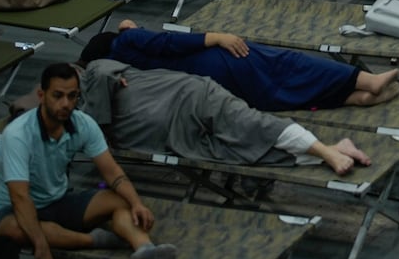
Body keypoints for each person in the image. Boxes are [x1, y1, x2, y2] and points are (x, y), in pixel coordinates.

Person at [0, 63, 176, 259]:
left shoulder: (83, 124)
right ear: (42, 95)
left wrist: (136, 203)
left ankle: (145, 248)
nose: (66, 104)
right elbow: (20, 197)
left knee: (121, 199)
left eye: (72, 96)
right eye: (57, 96)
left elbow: (112, 172)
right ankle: (97, 240)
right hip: (12, 209)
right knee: (14, 231)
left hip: (58, 201)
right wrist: (41, 247)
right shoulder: (18, 135)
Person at [78, 59, 372, 176]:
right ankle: (332, 150)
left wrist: (96, 127)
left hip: (194, 100)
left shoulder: (94, 74)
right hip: (180, 139)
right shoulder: (79, 118)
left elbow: (101, 73)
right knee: (246, 153)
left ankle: (325, 152)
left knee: (255, 125)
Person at [81, 19, 399, 110]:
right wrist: (215, 36)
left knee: (280, 94)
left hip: (204, 91)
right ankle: (366, 82)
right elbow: (169, 43)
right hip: (215, 60)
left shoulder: (117, 76)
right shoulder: (126, 42)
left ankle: (355, 98)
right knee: (290, 65)